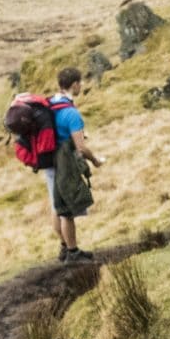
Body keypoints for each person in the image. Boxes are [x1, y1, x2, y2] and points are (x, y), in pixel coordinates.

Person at [46, 66, 101, 261]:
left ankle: (64, 246)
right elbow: (81, 148)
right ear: (75, 84)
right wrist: (95, 161)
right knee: (67, 211)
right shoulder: (72, 114)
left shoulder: (51, 103)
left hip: (50, 163)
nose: (82, 85)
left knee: (56, 207)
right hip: (65, 163)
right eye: (80, 82)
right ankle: (73, 252)